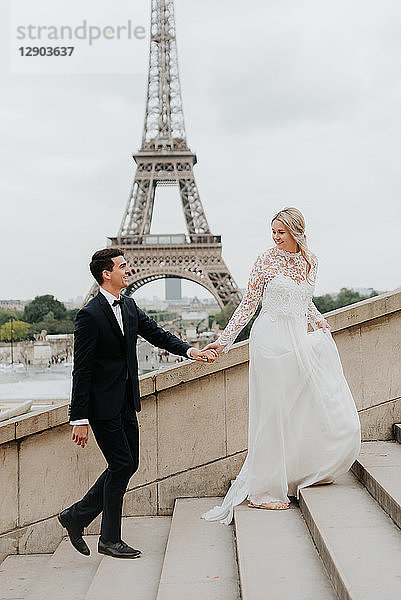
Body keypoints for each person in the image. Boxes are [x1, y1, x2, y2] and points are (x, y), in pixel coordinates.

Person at [201, 207, 361, 524]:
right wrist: (223, 340)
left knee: (303, 406)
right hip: (270, 340)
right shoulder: (266, 259)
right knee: (273, 412)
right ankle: (263, 490)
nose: (275, 238)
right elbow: (247, 305)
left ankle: (298, 470)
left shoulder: (310, 261)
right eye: (273, 231)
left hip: (298, 340)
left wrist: (320, 323)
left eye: (281, 232)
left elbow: (305, 300)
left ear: (296, 232)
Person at [58, 248, 215, 558]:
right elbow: (82, 368)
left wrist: (190, 351)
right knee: (121, 464)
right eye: (122, 266)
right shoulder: (89, 315)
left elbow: (158, 334)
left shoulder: (129, 306)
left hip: (127, 401)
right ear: (107, 273)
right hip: (102, 406)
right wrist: (79, 418)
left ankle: (77, 516)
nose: (127, 270)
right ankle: (107, 538)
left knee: (129, 464)